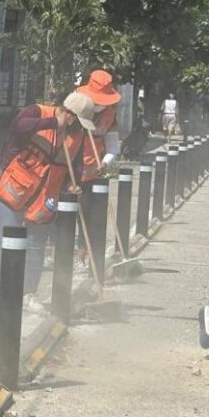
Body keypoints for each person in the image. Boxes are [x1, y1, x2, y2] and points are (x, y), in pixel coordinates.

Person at [0, 91, 94, 313]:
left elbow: (74, 165)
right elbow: (19, 127)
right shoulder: (37, 112)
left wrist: (72, 184)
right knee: (6, 241)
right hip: (13, 187)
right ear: (71, 115)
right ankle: (1, 292)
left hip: (44, 197)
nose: (80, 127)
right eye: (78, 121)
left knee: (36, 245)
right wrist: (53, 123)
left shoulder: (77, 135)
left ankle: (28, 294)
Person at [74, 69, 122, 270]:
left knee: (90, 217)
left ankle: (83, 257)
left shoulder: (110, 116)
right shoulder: (76, 108)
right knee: (64, 215)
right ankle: (57, 252)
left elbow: (112, 147)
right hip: (68, 171)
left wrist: (104, 163)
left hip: (92, 173)